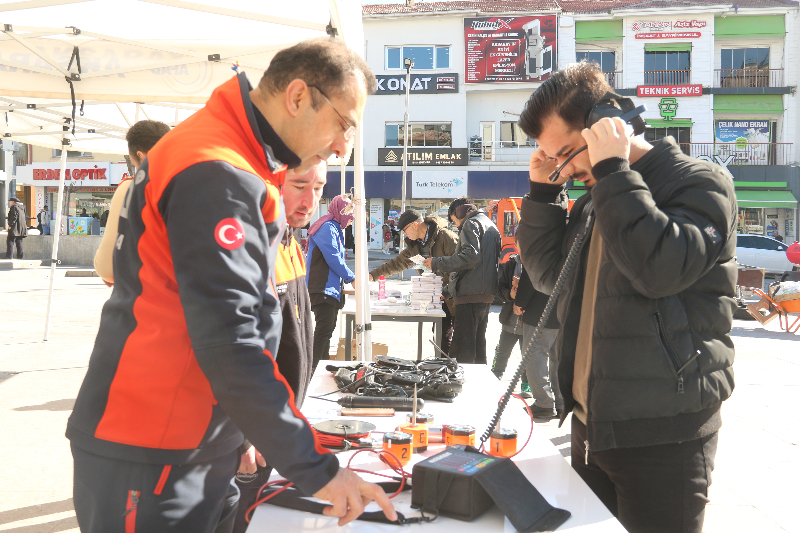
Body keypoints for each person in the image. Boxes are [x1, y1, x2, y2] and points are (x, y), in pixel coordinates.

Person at [67, 37, 396, 533]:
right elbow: (231, 341)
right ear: (299, 97)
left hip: (183, 438)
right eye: (344, 124)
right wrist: (317, 469)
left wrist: (245, 429)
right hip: (153, 444)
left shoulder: (232, 155)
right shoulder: (217, 169)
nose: (341, 146)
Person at [516, 62, 737, 533]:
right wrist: (541, 196)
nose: (565, 169)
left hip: (664, 436)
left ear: (604, 125)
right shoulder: (598, 197)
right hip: (591, 425)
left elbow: (659, 270)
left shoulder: (699, 182)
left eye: (565, 154)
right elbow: (550, 279)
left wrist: (614, 170)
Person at [232, 160, 327, 533]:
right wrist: (242, 437)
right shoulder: (250, 246)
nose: (310, 199)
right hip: (253, 438)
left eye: (319, 187)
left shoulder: (290, 242)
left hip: (281, 429)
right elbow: (232, 349)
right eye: (300, 184)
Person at [93, 120, 171, 286]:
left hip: (146, 296)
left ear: (140, 155)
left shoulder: (131, 188)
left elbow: (107, 267)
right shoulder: (196, 183)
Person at [369, 209, 458, 353]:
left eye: (405, 229)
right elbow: (397, 264)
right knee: (441, 338)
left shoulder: (445, 237)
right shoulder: (415, 245)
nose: (404, 234)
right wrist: (372, 275)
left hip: (455, 296)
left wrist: (448, 291)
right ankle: (441, 367)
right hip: (436, 297)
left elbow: (462, 263)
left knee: (458, 340)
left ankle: (451, 369)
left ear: (415, 225)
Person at [424, 197, 500, 364]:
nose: (456, 225)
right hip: (485, 295)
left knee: (462, 353)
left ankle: (461, 388)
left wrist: (437, 262)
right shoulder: (491, 225)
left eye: (454, 220)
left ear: (461, 212)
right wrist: (447, 291)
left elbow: (469, 258)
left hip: (469, 297)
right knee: (478, 349)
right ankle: (479, 386)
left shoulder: (470, 224)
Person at [511, 237, 562, 419]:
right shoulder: (566, 244)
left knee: (535, 357)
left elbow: (530, 276)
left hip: (540, 312)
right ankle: (560, 402)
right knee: (558, 359)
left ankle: (544, 403)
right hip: (563, 312)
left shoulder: (540, 246)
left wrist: (520, 302)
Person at [306, 195, 356, 369]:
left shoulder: (333, 227)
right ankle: (310, 370)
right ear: (341, 212)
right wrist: (352, 278)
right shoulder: (327, 227)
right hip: (322, 288)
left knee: (326, 331)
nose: (351, 220)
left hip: (328, 288)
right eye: (350, 216)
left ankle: (321, 367)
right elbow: (333, 258)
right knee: (324, 330)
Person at [492, 250, 530, 397]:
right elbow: (500, 288)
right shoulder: (510, 265)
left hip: (527, 321)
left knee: (527, 354)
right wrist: (510, 294)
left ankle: (527, 384)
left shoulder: (535, 265)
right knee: (502, 351)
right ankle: (496, 376)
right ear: (516, 245)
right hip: (509, 319)